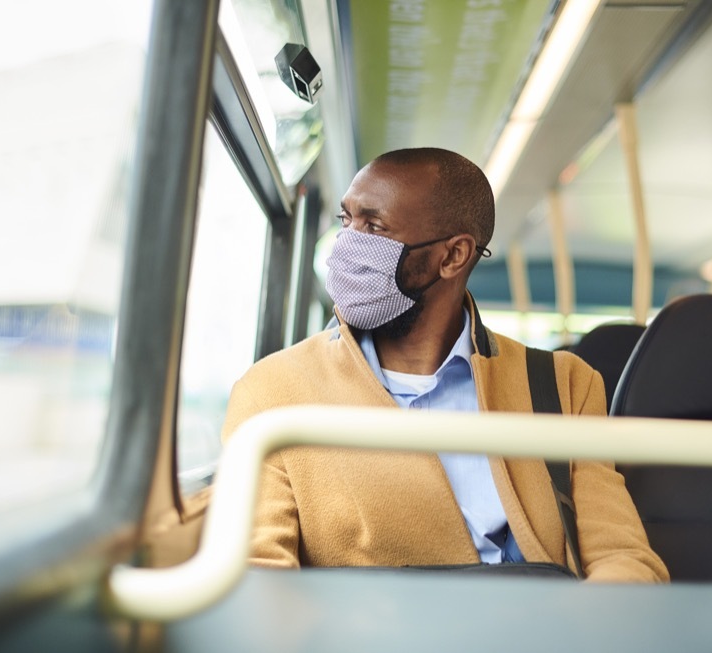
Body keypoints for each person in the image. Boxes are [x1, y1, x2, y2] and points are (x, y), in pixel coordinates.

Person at [221, 147, 668, 583]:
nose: (345, 248)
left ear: (453, 256)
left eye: (374, 227)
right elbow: (258, 577)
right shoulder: (271, 392)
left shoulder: (562, 383)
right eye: (346, 220)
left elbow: (621, 555)